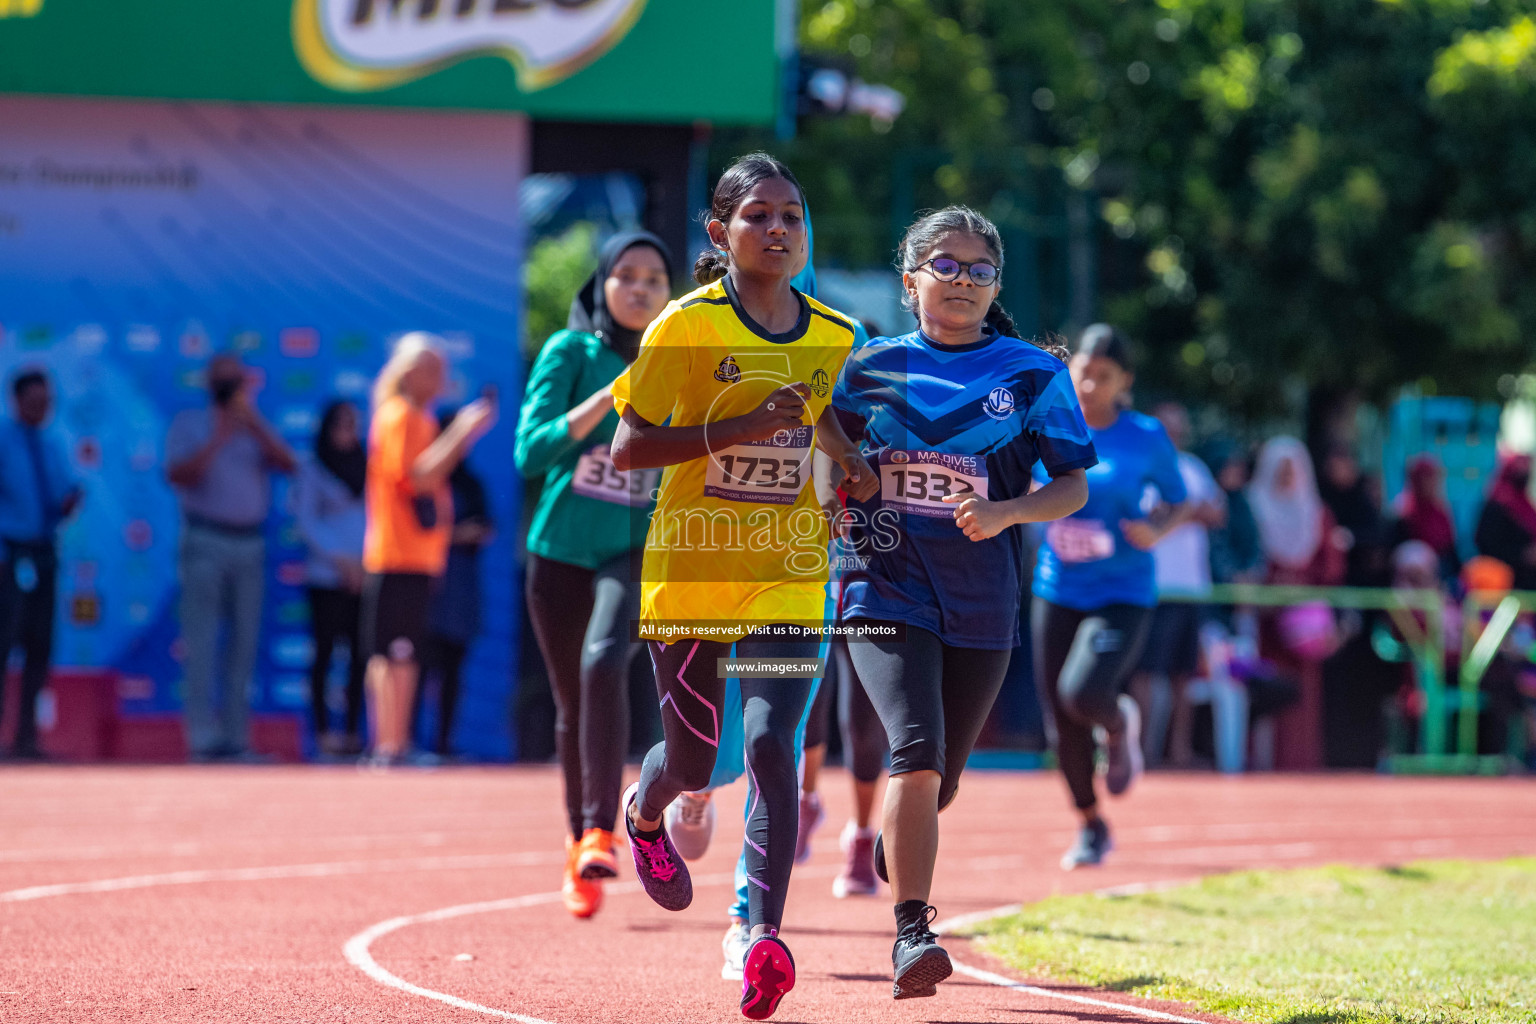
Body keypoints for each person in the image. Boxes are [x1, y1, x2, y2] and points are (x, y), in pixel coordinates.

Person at [609, 152, 875, 1021]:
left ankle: (761, 935)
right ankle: (645, 814)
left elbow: (827, 412)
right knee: (692, 760)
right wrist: (741, 427)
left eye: (792, 216)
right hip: (691, 564)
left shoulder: (836, 333)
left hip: (790, 573)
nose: (779, 230)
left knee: (771, 749)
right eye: (759, 216)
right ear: (721, 235)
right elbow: (629, 451)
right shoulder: (682, 330)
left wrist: (854, 462)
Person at [833, 207, 1094, 999]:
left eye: (980, 270)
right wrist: (849, 478)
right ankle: (914, 934)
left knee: (940, 780)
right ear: (909, 280)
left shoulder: (1032, 375)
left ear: (996, 286)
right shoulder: (870, 368)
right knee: (914, 753)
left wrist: (1009, 513)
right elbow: (827, 450)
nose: (962, 281)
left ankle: (900, 844)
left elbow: (1073, 486)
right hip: (883, 588)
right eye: (945, 265)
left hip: (983, 603)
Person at [516, 230, 673, 919]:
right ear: (602, 285)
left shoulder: (683, 359)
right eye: (626, 276)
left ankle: (603, 832)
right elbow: (529, 451)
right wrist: (608, 399)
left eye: (654, 279)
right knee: (573, 701)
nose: (639, 289)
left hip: (635, 549)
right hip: (559, 552)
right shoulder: (569, 351)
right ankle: (582, 841)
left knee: (606, 660)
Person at [1032, 323, 1192, 870]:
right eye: (1083, 373)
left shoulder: (1146, 436)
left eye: (1105, 377)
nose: (1091, 386)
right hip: (1057, 587)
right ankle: (1091, 826)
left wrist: (1157, 528)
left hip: (1122, 591)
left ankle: (1120, 721)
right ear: (1069, 368)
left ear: (1124, 381)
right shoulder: (1049, 423)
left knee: (1083, 692)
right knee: (1060, 717)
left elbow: (1177, 499)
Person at [361, 333, 495, 768]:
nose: (443, 379)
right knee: (392, 653)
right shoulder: (399, 415)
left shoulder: (418, 418)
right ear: (410, 371)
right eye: (435, 369)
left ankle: (394, 744)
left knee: (405, 653)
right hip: (397, 554)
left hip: (417, 555)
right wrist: (462, 429)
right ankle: (389, 746)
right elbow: (418, 477)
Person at [166, 352, 297, 762]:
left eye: (235, 381)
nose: (229, 389)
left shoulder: (255, 425)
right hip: (205, 539)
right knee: (201, 643)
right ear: (208, 385)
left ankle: (237, 741)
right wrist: (219, 436)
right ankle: (202, 741)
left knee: (243, 647)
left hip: (249, 544)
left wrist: (252, 424)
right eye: (222, 383)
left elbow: (289, 464)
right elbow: (179, 475)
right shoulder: (190, 424)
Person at [1134, 402, 1224, 768]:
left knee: (1183, 675)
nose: (1175, 435)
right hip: (1154, 587)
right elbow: (1144, 514)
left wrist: (1178, 511)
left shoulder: (1192, 467)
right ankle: (1141, 751)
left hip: (1191, 587)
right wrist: (1186, 510)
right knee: (1144, 672)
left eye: (1179, 428)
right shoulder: (1141, 466)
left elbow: (1217, 513)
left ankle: (1179, 750)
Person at [1247, 436, 1346, 769]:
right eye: (1281, 470)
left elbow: (1330, 567)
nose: (1288, 477)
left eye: (1294, 470)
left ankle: (1299, 764)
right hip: (1264, 626)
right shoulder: (1253, 507)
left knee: (1301, 698)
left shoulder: (1317, 515)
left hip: (1303, 627)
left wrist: (1302, 591)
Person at [0, 369, 81, 760]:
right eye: (34, 402)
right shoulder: (3, 439)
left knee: (39, 646)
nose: (41, 409)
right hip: (7, 555)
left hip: (43, 552)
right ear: (16, 401)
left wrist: (69, 501)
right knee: (2, 643)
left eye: (47, 403)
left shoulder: (50, 443)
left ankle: (27, 738)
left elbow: (61, 494)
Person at [416, 407, 495, 762]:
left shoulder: (471, 481)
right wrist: (453, 535)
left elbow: (486, 528)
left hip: (461, 586)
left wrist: (457, 535)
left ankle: (443, 745)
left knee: (453, 667)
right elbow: (418, 528)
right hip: (426, 582)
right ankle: (407, 744)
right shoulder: (423, 479)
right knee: (418, 665)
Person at [294, 399, 369, 759]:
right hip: (326, 577)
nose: (347, 432)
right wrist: (340, 561)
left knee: (360, 656)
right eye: (340, 425)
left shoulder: (370, 466)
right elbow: (307, 522)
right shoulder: (312, 469)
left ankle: (354, 732)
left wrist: (364, 563)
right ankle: (323, 733)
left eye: (352, 425)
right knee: (324, 654)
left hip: (364, 575)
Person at [1393, 454, 1460, 585]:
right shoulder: (1403, 512)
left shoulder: (1441, 512)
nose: (1429, 483)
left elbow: (1450, 553)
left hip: (1438, 580)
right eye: (1423, 478)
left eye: (1431, 478)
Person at [1475, 454, 1536, 591]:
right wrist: (1523, 555)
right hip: (1502, 583)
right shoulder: (1496, 506)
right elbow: (1486, 545)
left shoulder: (1526, 506)